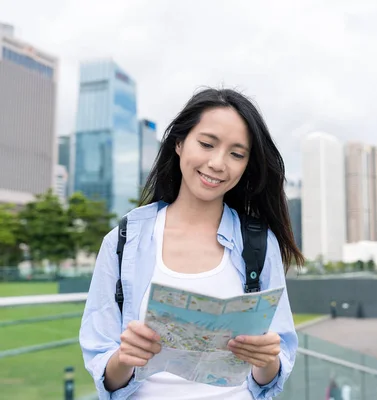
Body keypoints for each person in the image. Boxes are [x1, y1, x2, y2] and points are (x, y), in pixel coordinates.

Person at [79, 88, 304, 400]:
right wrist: (125, 358)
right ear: (180, 143)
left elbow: (270, 375)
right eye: (207, 144)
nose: (217, 163)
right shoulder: (124, 239)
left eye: (236, 154)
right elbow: (106, 372)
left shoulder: (258, 241)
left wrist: (266, 360)